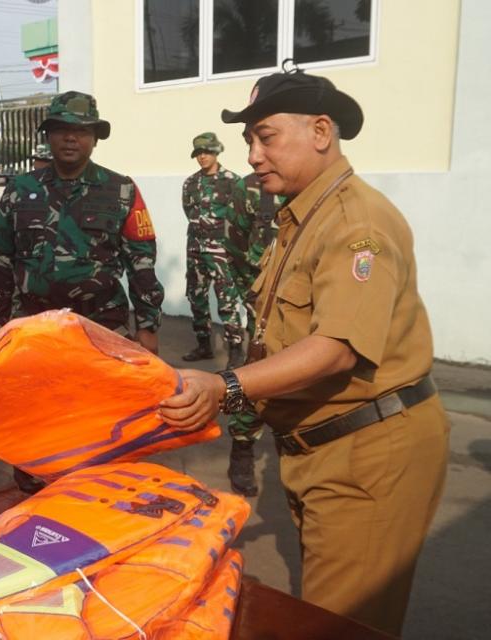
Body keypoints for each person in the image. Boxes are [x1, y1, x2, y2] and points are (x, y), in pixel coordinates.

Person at [159, 63, 449, 636]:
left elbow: (337, 347)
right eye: (248, 141)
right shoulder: (301, 216)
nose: (253, 156)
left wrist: (226, 386)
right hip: (324, 449)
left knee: (333, 626)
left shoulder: (354, 223)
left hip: (366, 454)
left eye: (266, 137)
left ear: (321, 132)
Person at [0, 91, 165, 493]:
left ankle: (93, 500)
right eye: (61, 130)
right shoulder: (21, 190)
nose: (70, 139)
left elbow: (142, 262)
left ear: (94, 137)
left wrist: (148, 326)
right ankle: (37, 499)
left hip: (102, 329)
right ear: (49, 136)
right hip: (35, 332)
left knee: (99, 424)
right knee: (37, 425)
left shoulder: (121, 190)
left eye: (80, 131)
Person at [223, 171, 284, 496]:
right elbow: (233, 245)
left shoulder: (330, 190)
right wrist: (254, 297)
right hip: (265, 307)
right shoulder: (249, 188)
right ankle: (241, 447)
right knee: (253, 378)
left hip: (316, 306)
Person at [181, 132, 250, 368]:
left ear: (217, 152)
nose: (202, 157)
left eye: (207, 152)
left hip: (221, 252)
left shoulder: (233, 181)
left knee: (227, 301)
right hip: (195, 250)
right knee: (196, 297)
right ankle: (203, 345)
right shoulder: (190, 183)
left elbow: (241, 216)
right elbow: (189, 212)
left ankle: (236, 349)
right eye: (198, 153)